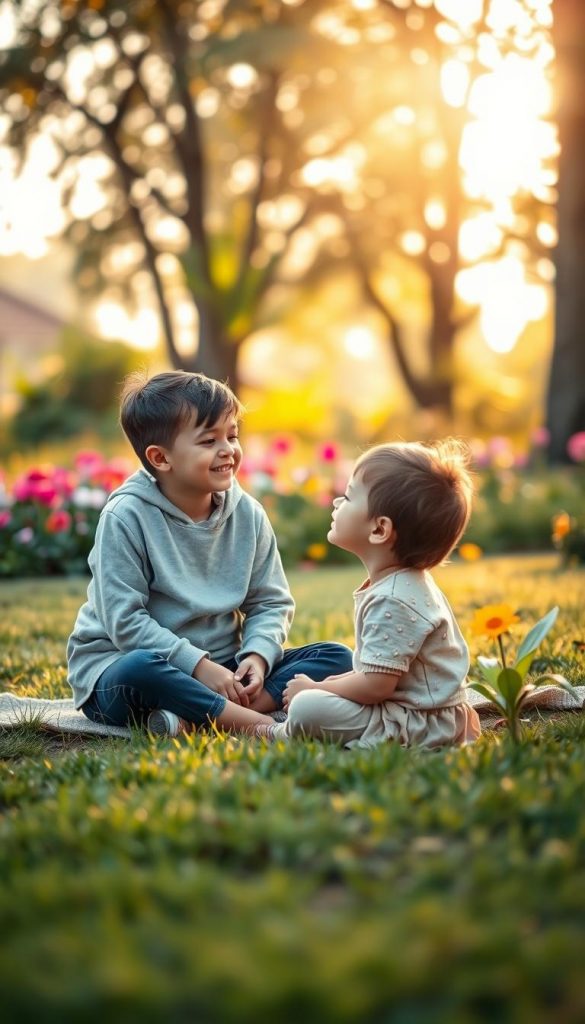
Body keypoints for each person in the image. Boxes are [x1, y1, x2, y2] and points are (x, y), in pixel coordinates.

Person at [67, 371, 353, 736]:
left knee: (335, 656)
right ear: (161, 457)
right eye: (208, 440)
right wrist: (199, 667)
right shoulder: (125, 517)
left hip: (223, 668)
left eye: (232, 435)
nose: (228, 449)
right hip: (127, 668)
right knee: (139, 669)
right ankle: (260, 725)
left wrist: (256, 657)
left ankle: (198, 717)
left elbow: (270, 602)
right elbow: (125, 622)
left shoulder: (248, 514)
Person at [258, 440, 481, 749]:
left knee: (308, 707)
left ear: (379, 530)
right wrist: (328, 685)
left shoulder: (394, 597)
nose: (337, 501)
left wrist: (316, 689)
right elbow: (372, 673)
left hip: (418, 723)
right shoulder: (399, 584)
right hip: (411, 710)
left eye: (349, 496)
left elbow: (375, 686)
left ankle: (279, 731)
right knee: (324, 688)